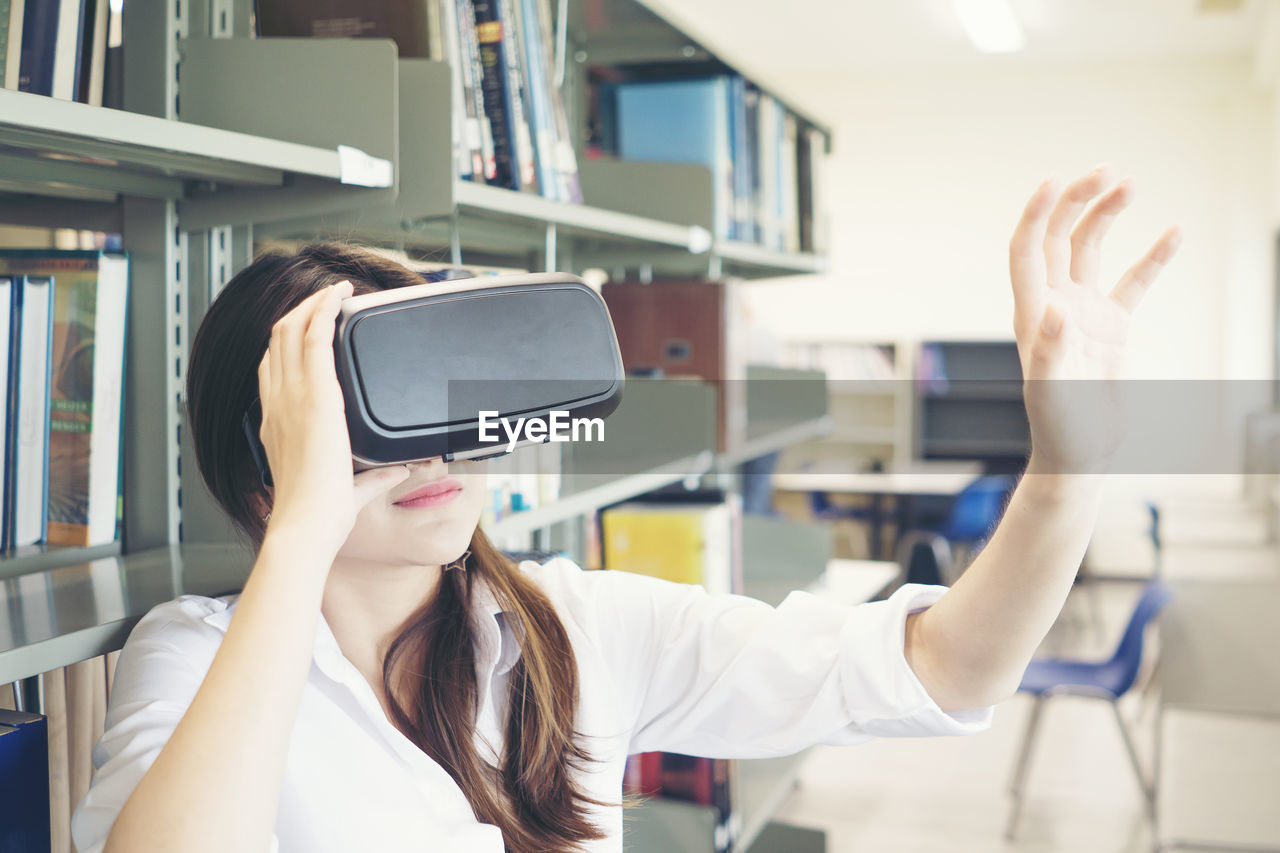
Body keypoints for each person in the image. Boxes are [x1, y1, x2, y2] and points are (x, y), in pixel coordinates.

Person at [70, 166, 1181, 853]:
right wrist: (305, 527)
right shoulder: (199, 656)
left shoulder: (570, 627)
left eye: (445, 384)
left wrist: (1062, 469)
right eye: (374, 402)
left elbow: (942, 667)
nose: (442, 437)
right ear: (264, 456)